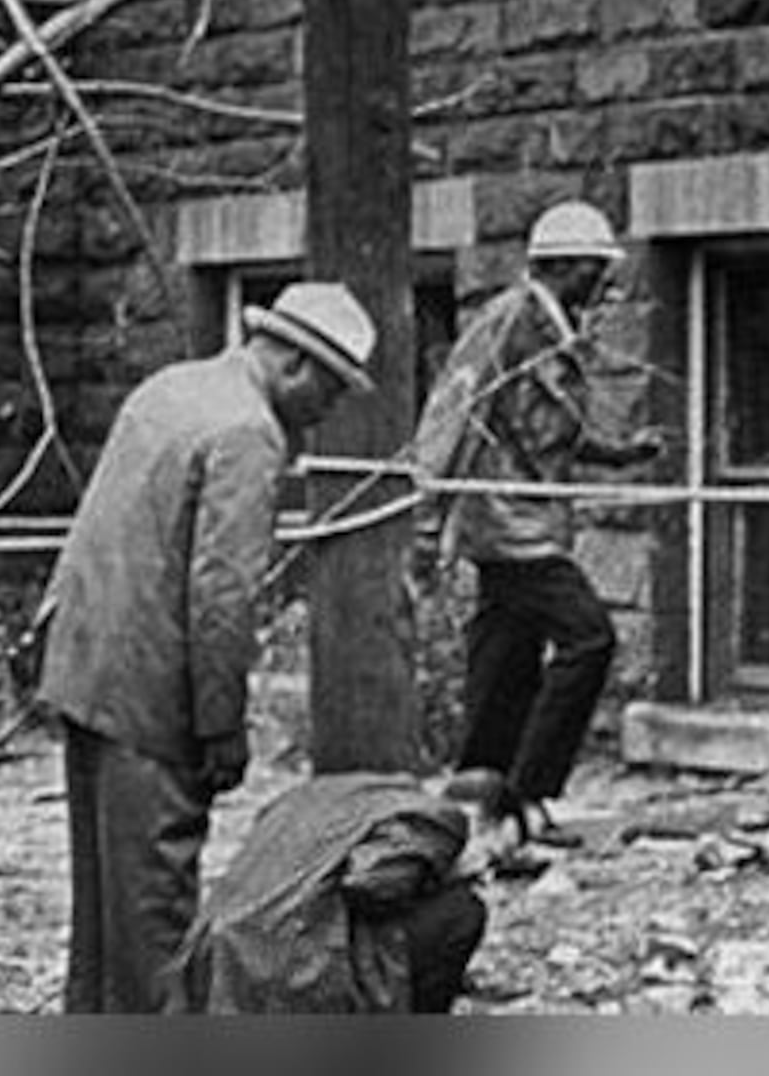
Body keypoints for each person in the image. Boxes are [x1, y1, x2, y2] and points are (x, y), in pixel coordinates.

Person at [38, 279, 375, 1013]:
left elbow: (95, 528)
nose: (330, 409)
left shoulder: (172, 389)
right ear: (295, 364)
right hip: (151, 700)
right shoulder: (249, 433)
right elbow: (221, 601)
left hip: (86, 678)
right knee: (155, 927)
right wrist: (221, 727)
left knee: (101, 929)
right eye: (333, 388)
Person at [438, 201, 667, 838]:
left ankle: (480, 797)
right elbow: (452, 406)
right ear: (562, 265)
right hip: (509, 525)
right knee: (589, 637)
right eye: (595, 270)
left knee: (505, 659)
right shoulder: (510, 321)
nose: (605, 285)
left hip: (527, 521)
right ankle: (529, 794)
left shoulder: (555, 328)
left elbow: (548, 434)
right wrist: (427, 513)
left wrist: (620, 454)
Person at [163, 768, 522, 1013]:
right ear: (482, 819)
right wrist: (448, 872)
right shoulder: (444, 821)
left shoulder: (364, 793)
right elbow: (370, 886)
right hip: (285, 964)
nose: (487, 869)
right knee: (464, 912)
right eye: (494, 852)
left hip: (214, 949)